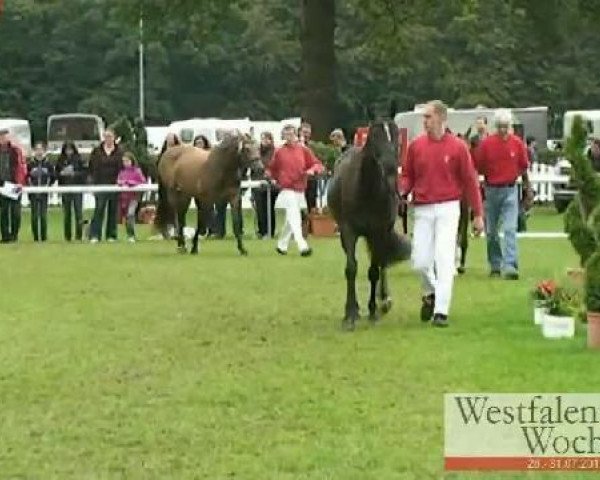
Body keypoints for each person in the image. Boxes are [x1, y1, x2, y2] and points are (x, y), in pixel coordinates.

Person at [399, 100, 484, 328]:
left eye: (428, 117)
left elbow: (470, 181)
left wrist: (478, 214)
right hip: (423, 208)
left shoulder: (457, 147)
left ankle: (441, 311)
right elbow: (408, 175)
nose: (424, 121)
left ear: (441, 118)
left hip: (448, 207)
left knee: (444, 259)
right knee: (419, 260)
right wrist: (401, 190)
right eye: (424, 117)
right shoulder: (416, 147)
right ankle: (432, 291)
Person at [474, 109, 530, 280]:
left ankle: (511, 265)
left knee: (510, 228)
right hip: (491, 190)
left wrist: (524, 184)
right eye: (500, 127)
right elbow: (479, 166)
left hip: (510, 189)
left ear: (510, 126)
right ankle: (495, 264)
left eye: (506, 127)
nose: (503, 130)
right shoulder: (487, 144)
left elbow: (523, 165)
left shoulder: (517, 143)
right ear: (495, 126)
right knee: (491, 231)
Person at [266, 124, 324, 256]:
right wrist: (272, 179)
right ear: (283, 136)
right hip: (286, 189)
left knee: (291, 219)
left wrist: (311, 170)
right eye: (287, 135)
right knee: (295, 217)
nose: (289, 137)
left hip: (300, 188)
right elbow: (271, 169)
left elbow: (317, 164)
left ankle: (282, 245)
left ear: (296, 135)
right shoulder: (279, 152)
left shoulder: (303, 150)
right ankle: (302, 245)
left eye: (292, 134)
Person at [88, 128, 123, 243]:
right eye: (106, 136)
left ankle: (111, 235)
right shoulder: (97, 151)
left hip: (115, 184)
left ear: (114, 138)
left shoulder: (119, 151)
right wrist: (92, 183)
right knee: (99, 210)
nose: (108, 139)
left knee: (113, 211)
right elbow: (91, 168)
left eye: (110, 136)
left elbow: (122, 168)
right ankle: (94, 235)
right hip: (100, 184)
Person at [56, 141, 86, 241]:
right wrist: (62, 174)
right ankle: (67, 236)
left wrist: (74, 173)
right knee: (67, 214)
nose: (69, 152)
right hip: (65, 189)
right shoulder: (60, 160)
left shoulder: (78, 159)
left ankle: (79, 235)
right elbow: (56, 174)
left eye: (70, 149)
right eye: (67, 150)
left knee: (79, 213)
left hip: (77, 189)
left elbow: (84, 173)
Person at [27, 142, 55, 242]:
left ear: (44, 151)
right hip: (33, 193)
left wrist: (47, 187)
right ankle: (35, 237)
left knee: (43, 216)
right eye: (37, 149)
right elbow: (27, 177)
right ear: (34, 151)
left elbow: (52, 177)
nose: (39, 152)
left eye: (41, 149)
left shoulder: (48, 164)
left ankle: (43, 237)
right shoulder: (30, 164)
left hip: (44, 193)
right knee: (34, 216)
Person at [252, 131, 277, 238]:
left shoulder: (275, 152)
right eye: (263, 139)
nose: (265, 141)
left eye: (267, 139)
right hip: (257, 183)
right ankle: (261, 231)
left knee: (269, 208)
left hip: (270, 185)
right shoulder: (256, 152)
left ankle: (270, 231)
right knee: (259, 209)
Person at [117, 152, 146, 243]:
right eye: (124, 161)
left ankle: (132, 235)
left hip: (134, 197)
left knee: (130, 214)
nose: (125, 163)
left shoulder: (137, 171)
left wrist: (131, 183)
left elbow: (143, 182)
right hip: (124, 197)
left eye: (127, 161)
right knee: (127, 216)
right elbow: (119, 181)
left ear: (132, 161)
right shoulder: (122, 172)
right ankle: (130, 235)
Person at [0, 128, 20, 243]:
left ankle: (14, 235)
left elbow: (20, 166)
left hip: (14, 183)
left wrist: (19, 181)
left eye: (5, 136)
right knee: (3, 212)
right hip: (2, 184)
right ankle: (5, 236)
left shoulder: (15, 151)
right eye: (1, 136)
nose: (3, 138)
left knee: (15, 212)